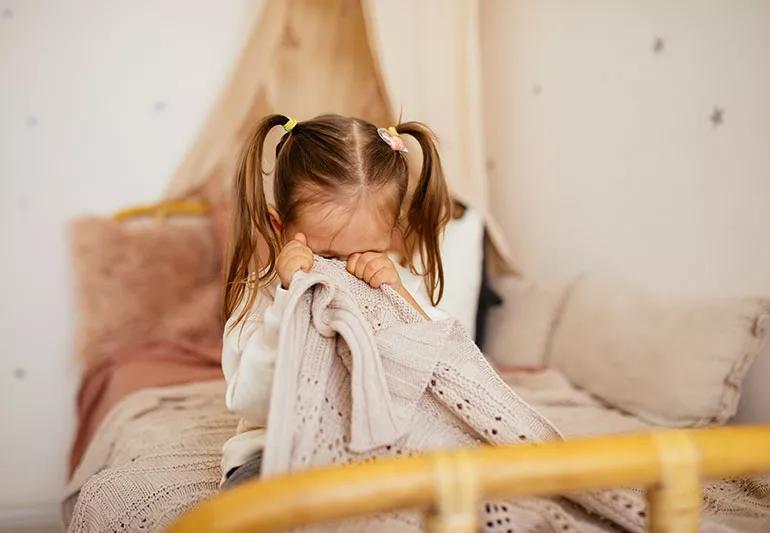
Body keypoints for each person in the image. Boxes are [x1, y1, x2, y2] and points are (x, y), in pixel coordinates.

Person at [220, 114, 451, 488]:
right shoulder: (261, 295)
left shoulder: (395, 281)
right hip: (277, 451)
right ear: (280, 228)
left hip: (384, 447)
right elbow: (251, 402)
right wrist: (286, 304)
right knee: (260, 505)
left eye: (368, 250)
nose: (346, 269)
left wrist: (402, 298)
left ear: (392, 233)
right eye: (327, 255)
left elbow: (443, 367)